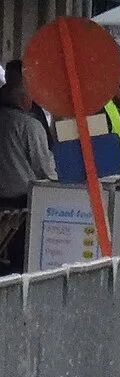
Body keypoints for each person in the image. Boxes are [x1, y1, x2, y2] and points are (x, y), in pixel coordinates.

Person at [1, 80, 56, 273]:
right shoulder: (29, 125)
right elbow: (43, 166)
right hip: (21, 203)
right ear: (24, 100)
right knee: (18, 256)